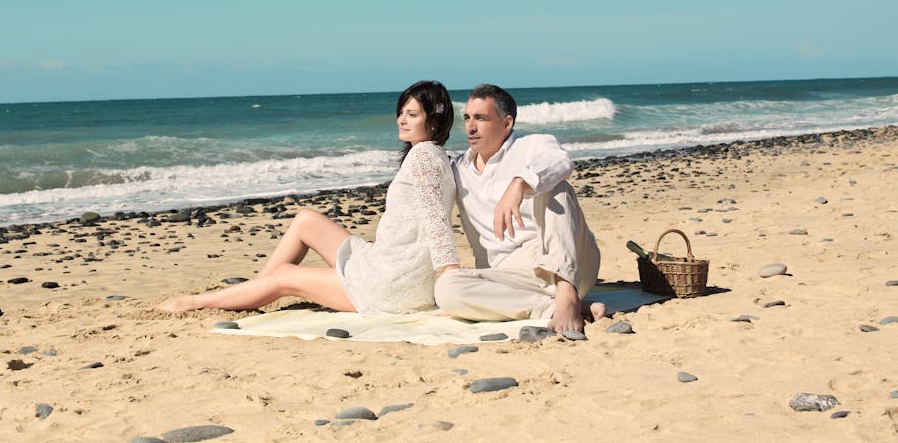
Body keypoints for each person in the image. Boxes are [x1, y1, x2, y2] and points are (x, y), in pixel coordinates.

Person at [155, 80, 460, 315]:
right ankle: (254, 291)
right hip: (387, 264)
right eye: (401, 113)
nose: (401, 120)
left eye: (412, 114)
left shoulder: (423, 159)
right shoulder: (434, 156)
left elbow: (437, 223)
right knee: (306, 220)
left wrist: (451, 281)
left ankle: (194, 303)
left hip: (390, 284)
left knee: (285, 275)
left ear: (433, 121)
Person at [433, 84, 603, 332]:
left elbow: (561, 162)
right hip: (512, 274)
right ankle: (554, 308)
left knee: (557, 189)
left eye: (481, 118)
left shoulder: (534, 145)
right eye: (467, 118)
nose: (471, 126)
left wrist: (520, 183)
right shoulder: (458, 169)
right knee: (447, 289)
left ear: (506, 123)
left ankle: (567, 294)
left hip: (566, 259)